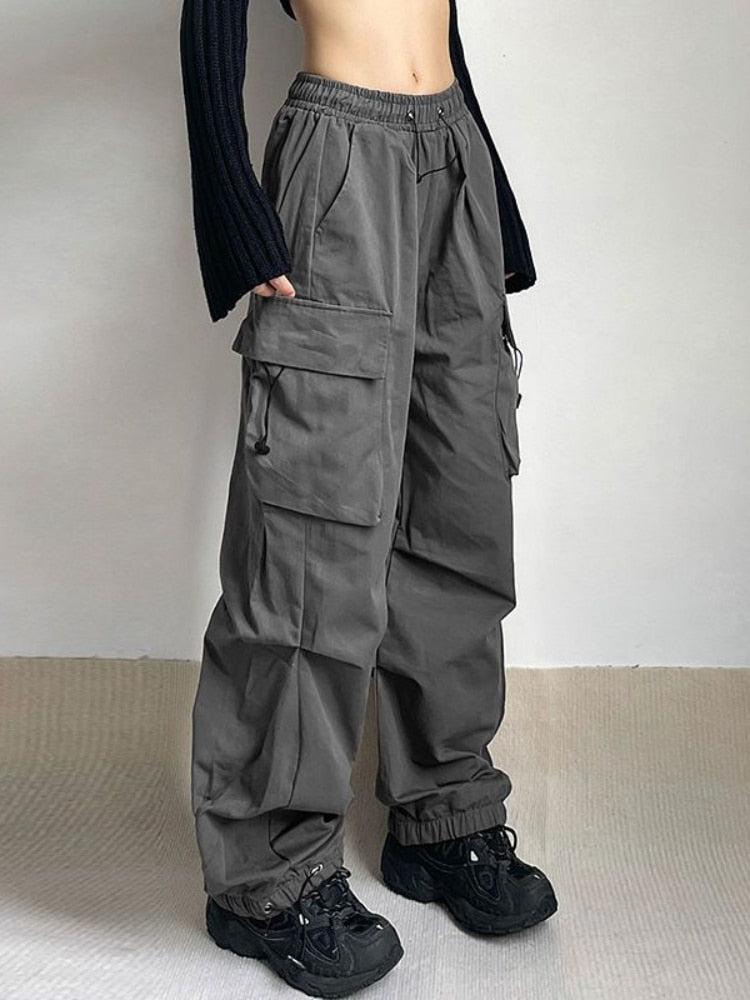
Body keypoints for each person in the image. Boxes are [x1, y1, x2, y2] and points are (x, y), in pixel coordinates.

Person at [179, 1, 557, 996]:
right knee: (312, 536)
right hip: (340, 157)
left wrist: (492, 199)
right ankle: (265, 875)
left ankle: (445, 815)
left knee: (459, 502)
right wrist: (230, 198)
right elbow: (207, 12)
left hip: (455, 154)